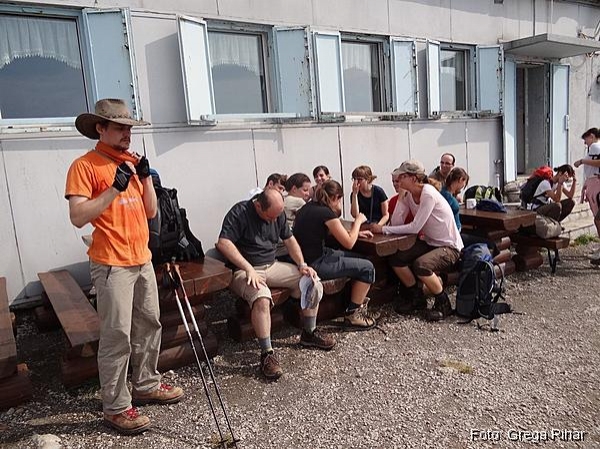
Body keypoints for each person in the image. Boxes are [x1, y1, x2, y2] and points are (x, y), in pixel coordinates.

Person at [65, 98, 183, 435]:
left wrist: (144, 179)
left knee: (149, 324)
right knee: (116, 335)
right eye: (119, 128)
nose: (127, 134)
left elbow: (150, 211)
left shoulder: (131, 164)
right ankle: (116, 406)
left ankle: (146, 384)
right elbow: (78, 216)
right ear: (100, 128)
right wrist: (114, 188)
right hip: (111, 263)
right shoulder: (84, 166)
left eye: (129, 128)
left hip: (141, 259)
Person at [216, 189, 335, 380]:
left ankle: (309, 332)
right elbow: (223, 243)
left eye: (276, 216)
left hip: (271, 265)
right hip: (244, 270)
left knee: (312, 282)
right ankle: (267, 354)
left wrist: (302, 264)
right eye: (270, 217)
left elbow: (290, 240)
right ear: (258, 205)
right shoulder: (240, 212)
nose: (273, 221)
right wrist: (248, 268)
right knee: (262, 297)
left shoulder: (277, 214)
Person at [370, 160, 463, 322]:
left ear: (413, 178)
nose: (398, 180)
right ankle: (417, 297)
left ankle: (443, 303)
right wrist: (401, 199)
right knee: (396, 258)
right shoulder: (409, 194)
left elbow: (415, 227)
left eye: (402, 176)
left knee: (421, 265)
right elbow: (397, 222)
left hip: (449, 246)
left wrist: (383, 229)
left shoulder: (428, 193)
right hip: (430, 242)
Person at [293, 180, 378, 329]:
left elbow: (333, 231)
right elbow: (349, 243)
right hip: (317, 263)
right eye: (339, 200)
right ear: (336, 197)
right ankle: (353, 315)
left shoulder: (308, 207)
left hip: (307, 259)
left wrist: (354, 233)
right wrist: (358, 222)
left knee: (361, 260)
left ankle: (351, 303)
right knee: (368, 267)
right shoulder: (326, 212)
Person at [574, 128, 600, 262]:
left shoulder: (595, 147)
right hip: (594, 183)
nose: (585, 143)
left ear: (591, 136)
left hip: (596, 184)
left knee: (598, 219)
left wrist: (582, 161)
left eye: (586, 139)